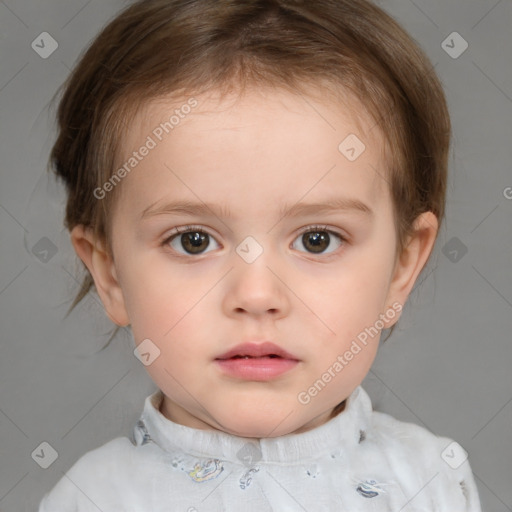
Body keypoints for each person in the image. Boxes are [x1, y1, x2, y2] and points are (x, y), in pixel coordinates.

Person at [39, 0, 482, 510]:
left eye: (317, 239)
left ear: (402, 268)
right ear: (110, 275)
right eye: (193, 240)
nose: (256, 295)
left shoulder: (431, 481)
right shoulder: (93, 499)